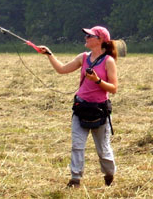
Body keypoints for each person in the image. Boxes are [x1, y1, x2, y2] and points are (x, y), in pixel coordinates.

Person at [39, 26, 118, 188]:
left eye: (90, 35)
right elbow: (61, 70)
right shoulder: (83, 57)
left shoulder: (108, 61)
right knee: (77, 145)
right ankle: (75, 179)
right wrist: (49, 55)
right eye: (86, 35)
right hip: (80, 107)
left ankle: (109, 174)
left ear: (100, 40)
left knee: (103, 150)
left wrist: (97, 80)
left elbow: (114, 88)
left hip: (99, 111)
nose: (86, 37)